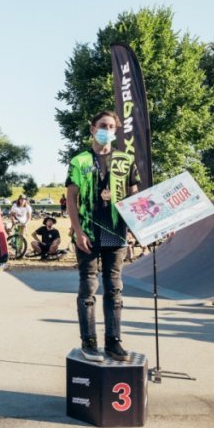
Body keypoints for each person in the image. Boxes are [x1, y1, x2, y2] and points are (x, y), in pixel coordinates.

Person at [66, 110, 140, 363]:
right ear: (92, 128)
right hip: (88, 232)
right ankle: (89, 341)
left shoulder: (125, 160)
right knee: (88, 287)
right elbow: (71, 199)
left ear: (116, 131)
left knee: (114, 289)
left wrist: (145, 227)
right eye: (102, 125)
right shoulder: (79, 161)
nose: (106, 130)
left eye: (111, 126)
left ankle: (113, 342)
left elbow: (135, 198)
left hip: (115, 232)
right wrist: (77, 231)